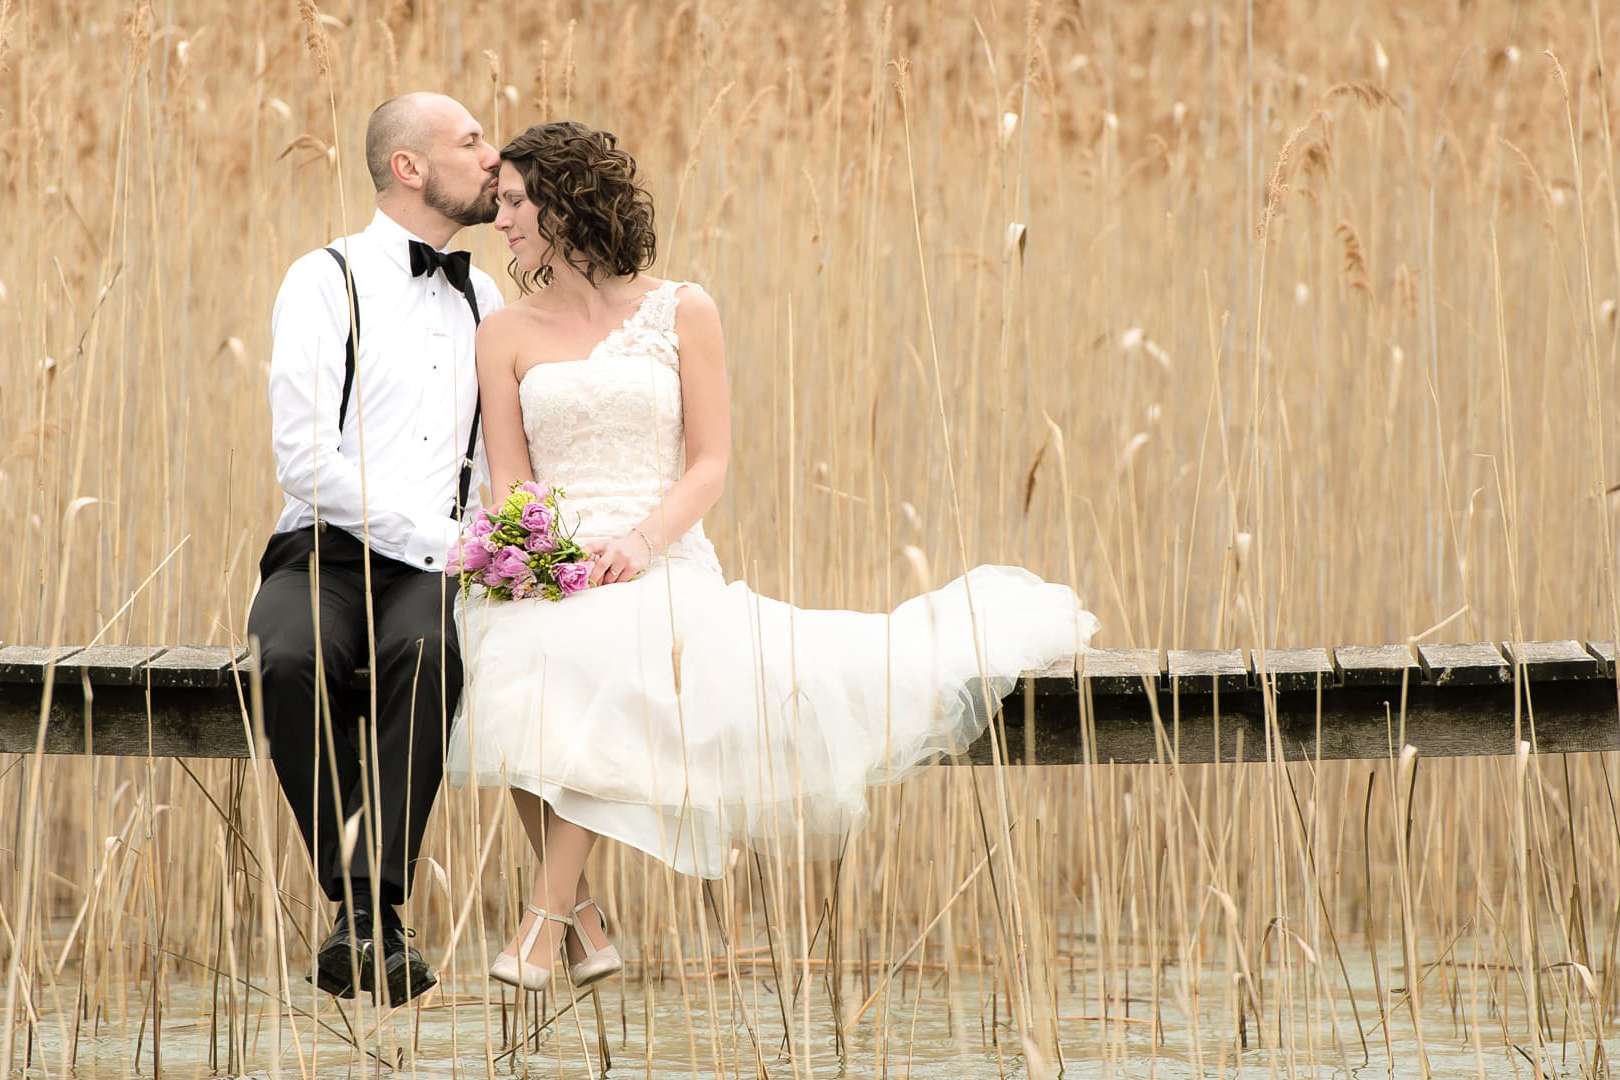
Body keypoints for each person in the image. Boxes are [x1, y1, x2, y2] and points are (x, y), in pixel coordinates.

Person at [445, 120, 1100, 993]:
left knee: (607, 653)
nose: (504, 221)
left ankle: (545, 919)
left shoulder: (682, 308)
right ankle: (583, 918)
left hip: (660, 559)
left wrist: (639, 545)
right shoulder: (505, 331)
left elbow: (710, 461)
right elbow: (513, 477)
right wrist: (536, 558)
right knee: (520, 655)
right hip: (555, 562)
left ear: (568, 203)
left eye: (519, 202)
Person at [247, 92, 504, 1006]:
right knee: (287, 657)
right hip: (319, 551)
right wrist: (443, 541)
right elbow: (307, 460)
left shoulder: (487, 293)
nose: (491, 156)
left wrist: (507, 548)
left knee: (428, 651)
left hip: (432, 576)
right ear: (409, 167)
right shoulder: (323, 279)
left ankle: (362, 918)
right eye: (471, 141)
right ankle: (370, 913)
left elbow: (497, 453)